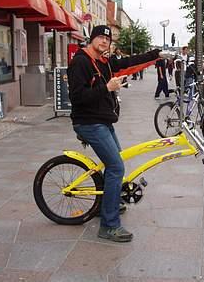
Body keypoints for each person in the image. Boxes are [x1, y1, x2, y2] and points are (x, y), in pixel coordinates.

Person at [67, 25, 161, 243]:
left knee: (116, 162)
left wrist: (155, 55)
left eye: (107, 40)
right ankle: (109, 226)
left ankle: (105, 204)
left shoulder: (104, 61)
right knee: (117, 167)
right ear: (91, 40)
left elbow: (128, 63)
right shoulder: (80, 63)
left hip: (103, 121)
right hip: (89, 123)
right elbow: (77, 97)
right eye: (100, 38)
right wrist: (107, 88)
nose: (104, 42)